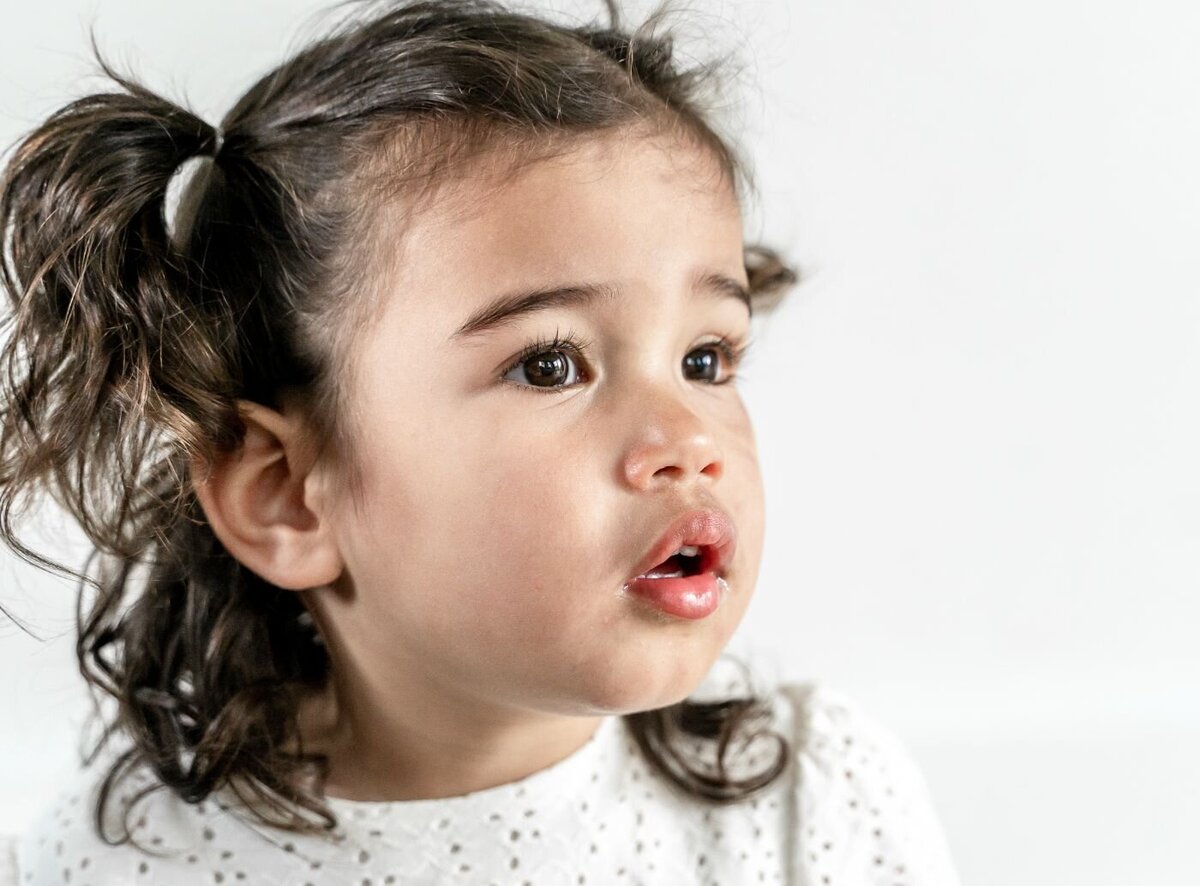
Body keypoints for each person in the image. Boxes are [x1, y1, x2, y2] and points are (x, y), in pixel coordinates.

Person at [0, 0, 961, 883]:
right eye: (549, 365)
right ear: (288, 494)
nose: (686, 441)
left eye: (705, 359)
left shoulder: (811, 801)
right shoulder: (113, 865)